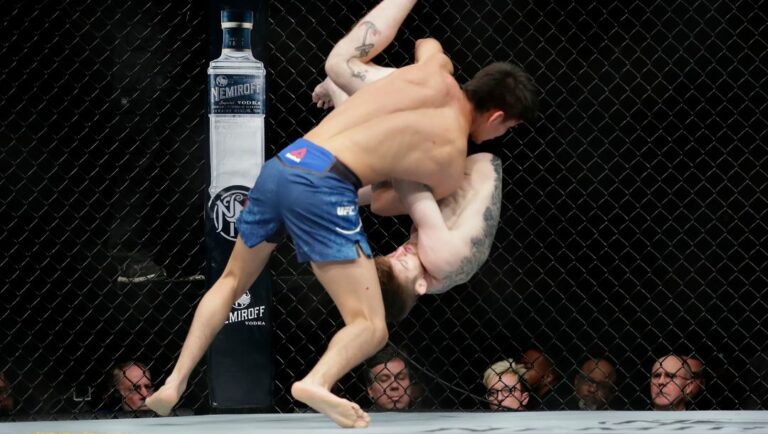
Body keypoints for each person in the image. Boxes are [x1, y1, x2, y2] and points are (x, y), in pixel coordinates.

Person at [147, 2, 538, 428]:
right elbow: (389, 201)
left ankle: (174, 383)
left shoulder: (434, 71)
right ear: (498, 116)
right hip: (324, 186)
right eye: (507, 129)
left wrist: (364, 82)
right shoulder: (447, 159)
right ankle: (316, 381)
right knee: (372, 326)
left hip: (283, 164)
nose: (500, 136)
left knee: (231, 280)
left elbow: (425, 41)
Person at [314, 0, 519, 297]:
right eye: (402, 264)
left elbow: (395, 185)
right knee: (340, 68)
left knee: (368, 192)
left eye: (391, 255)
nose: (400, 253)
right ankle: (340, 87)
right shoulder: (440, 258)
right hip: (455, 164)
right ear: (420, 286)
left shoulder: (436, 271)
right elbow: (404, 180)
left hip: (445, 137)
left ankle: (350, 94)